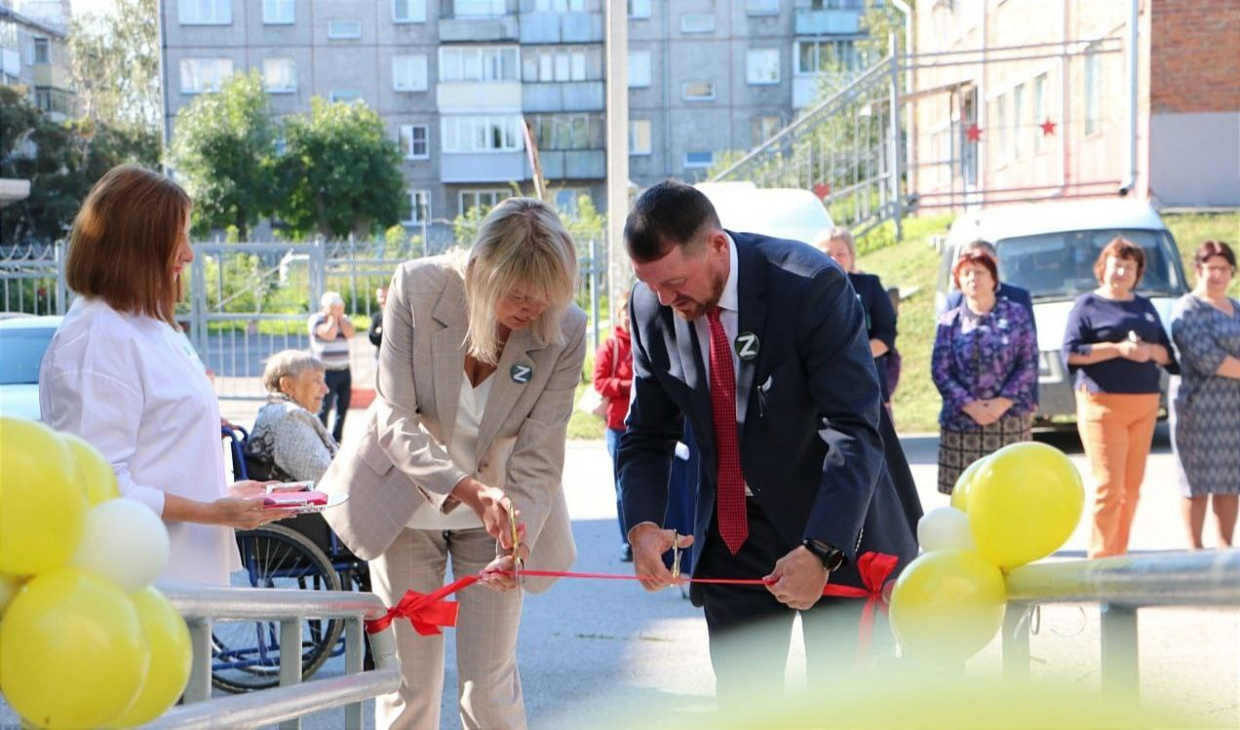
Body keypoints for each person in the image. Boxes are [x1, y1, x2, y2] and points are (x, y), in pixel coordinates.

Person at [616, 181, 920, 707]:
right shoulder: (650, 307)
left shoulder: (809, 285)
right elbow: (647, 433)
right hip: (734, 537)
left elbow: (853, 426)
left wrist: (822, 549)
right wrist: (642, 525)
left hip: (836, 522)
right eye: (650, 284)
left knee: (847, 707)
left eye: (674, 282)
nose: (665, 299)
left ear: (714, 245)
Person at [317, 197, 585, 729]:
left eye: (545, 299)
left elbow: (540, 451)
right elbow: (394, 418)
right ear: (481, 270)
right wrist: (466, 489)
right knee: (409, 686)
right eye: (517, 296)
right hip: (405, 507)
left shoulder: (566, 329)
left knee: (490, 687)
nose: (532, 311)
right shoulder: (418, 287)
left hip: (498, 517)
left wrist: (518, 537)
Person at [38, 164, 293, 586]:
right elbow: (101, 485)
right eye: (177, 238)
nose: (189, 254)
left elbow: (158, 461)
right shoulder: (98, 337)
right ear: (135, 246)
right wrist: (212, 512)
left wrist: (223, 496)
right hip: (141, 583)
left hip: (183, 576)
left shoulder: (147, 325)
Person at [1063, 236, 1178, 559]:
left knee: (1131, 489)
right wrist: (1117, 349)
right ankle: (1100, 560)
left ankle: (1120, 555)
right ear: (1104, 267)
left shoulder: (1144, 305)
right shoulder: (1087, 305)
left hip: (1143, 406)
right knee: (1109, 487)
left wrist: (1148, 351)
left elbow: (1168, 354)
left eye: (1130, 267)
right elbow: (1072, 353)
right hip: (1102, 406)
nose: (1122, 272)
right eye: (1117, 265)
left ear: (1137, 272)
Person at [931, 250, 1039, 494]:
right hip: (961, 423)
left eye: (979, 272)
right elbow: (940, 370)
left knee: (1011, 494)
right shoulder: (949, 321)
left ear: (993, 279)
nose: (972, 279)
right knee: (966, 498)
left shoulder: (1016, 315)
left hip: (1008, 420)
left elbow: (1029, 363)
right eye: (966, 273)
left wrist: (1002, 402)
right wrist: (971, 406)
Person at [1169, 240, 1240, 549]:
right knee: (1195, 484)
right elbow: (1207, 358)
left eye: (1224, 269)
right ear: (1198, 270)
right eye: (1211, 268)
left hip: (1234, 410)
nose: (1217, 275)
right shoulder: (1187, 308)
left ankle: (1227, 555)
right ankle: (1194, 553)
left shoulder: (1237, 307)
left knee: (1230, 483)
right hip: (1197, 410)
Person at [945, 238, 1038, 406]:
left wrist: (1033, 397)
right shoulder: (954, 304)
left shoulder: (1017, 299)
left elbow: (1029, 354)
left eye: (982, 263)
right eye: (969, 264)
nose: (975, 271)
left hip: (1011, 404)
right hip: (964, 408)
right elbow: (943, 363)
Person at [815, 227, 898, 405]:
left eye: (841, 253)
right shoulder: (810, 291)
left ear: (851, 255)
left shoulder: (870, 285)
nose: (834, 259)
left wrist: (852, 356)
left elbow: (887, 335)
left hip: (868, 386)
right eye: (827, 253)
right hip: (824, 389)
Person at [245, 349, 337, 483]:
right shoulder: (288, 418)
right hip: (304, 502)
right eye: (317, 381)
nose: (326, 389)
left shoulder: (279, 413)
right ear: (287, 385)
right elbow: (325, 480)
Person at [593, 289, 634, 561]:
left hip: (644, 426)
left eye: (633, 313)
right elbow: (599, 381)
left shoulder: (649, 341)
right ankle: (627, 541)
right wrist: (629, 387)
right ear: (618, 316)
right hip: (618, 426)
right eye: (624, 314)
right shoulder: (612, 346)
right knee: (623, 487)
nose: (629, 319)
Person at [309, 290, 354, 443]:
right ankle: (321, 440)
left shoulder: (344, 319)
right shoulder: (317, 319)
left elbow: (350, 333)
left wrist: (340, 317)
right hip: (325, 372)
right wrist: (332, 318)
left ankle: (336, 438)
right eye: (334, 306)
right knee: (324, 407)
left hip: (344, 369)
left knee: (343, 406)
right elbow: (329, 334)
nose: (338, 308)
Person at [368, 285, 388, 355]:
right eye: (381, 297)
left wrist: (380, 330)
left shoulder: (400, 316)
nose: (383, 300)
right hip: (380, 356)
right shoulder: (376, 317)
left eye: (386, 297)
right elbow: (373, 337)